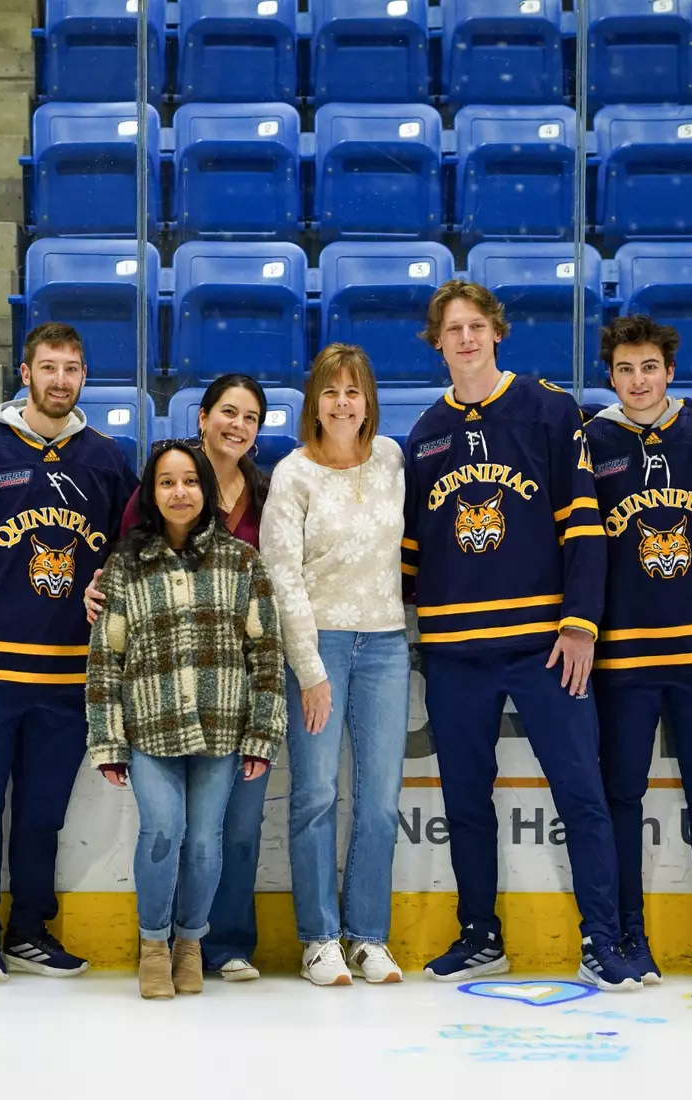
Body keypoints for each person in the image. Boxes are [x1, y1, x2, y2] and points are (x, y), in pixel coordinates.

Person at [401, 280, 641, 991]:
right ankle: (481, 933)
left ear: (496, 332)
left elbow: (584, 527)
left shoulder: (547, 410)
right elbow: (411, 553)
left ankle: (602, 937)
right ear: (437, 342)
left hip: (545, 645)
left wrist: (580, 624)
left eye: (477, 325)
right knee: (466, 799)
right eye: (453, 329)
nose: (467, 339)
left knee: (581, 790)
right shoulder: (424, 435)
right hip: (453, 652)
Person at [0, 321, 137, 982]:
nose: (60, 380)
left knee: (43, 814)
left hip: (68, 676)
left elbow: (127, 559)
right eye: (49, 367)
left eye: (72, 368)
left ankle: (29, 929)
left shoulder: (105, 459)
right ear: (25, 373)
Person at [83, 373, 272, 981]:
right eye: (168, 482)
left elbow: (265, 653)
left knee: (210, 843)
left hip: (222, 725)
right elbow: (104, 661)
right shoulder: (125, 565)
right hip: (151, 727)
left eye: (191, 482)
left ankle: (194, 943)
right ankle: (154, 945)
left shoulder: (244, 560)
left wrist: (262, 733)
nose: (181, 491)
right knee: (163, 831)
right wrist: (109, 740)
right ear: (152, 492)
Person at [585, 316, 692, 985]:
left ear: (669, 370)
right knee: (622, 796)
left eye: (649, 367)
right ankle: (628, 932)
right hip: (624, 656)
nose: (638, 380)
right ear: (610, 376)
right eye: (625, 369)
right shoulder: (592, 441)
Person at [260, 345, 408, 986]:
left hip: (385, 645)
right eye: (331, 392)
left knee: (379, 801)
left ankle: (368, 937)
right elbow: (281, 578)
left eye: (353, 391)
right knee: (316, 795)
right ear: (313, 403)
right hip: (316, 646)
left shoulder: (393, 461)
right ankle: (319, 938)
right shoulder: (293, 474)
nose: (343, 403)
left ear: (368, 399)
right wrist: (310, 667)